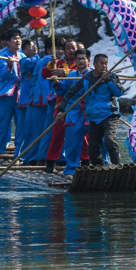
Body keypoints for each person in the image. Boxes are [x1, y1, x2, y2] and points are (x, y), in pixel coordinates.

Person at [59, 53, 124, 166]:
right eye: (101, 63)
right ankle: (98, 168)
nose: (104, 66)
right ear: (94, 64)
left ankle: (117, 165)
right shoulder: (87, 79)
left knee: (109, 140)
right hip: (93, 117)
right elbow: (71, 93)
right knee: (93, 147)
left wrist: (108, 81)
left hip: (109, 115)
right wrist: (61, 110)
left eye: (106, 64)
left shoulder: (111, 77)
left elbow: (119, 92)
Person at [42, 38, 78, 173]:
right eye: (68, 48)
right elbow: (44, 74)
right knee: (57, 133)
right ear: (64, 50)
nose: (71, 51)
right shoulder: (59, 62)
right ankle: (50, 161)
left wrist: (65, 73)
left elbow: (83, 75)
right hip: (61, 102)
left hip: (78, 103)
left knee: (80, 134)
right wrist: (51, 65)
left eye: (73, 48)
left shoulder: (80, 62)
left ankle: (83, 161)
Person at [55, 49, 93, 176]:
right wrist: (56, 83)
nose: (81, 61)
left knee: (97, 142)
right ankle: (71, 169)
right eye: (78, 59)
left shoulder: (94, 75)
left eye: (83, 58)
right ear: (75, 61)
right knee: (72, 143)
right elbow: (62, 91)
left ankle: (100, 167)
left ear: (88, 60)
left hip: (91, 112)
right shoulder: (71, 75)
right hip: (74, 112)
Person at [0, 29, 25, 154]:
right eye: (15, 38)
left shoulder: (23, 56)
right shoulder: (1, 55)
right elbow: (3, 75)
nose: (18, 41)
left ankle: (19, 149)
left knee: (20, 122)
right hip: (7, 93)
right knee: (3, 122)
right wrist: (9, 65)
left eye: (19, 38)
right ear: (8, 42)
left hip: (21, 93)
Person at [22, 38, 55, 165]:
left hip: (43, 99)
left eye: (59, 49)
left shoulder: (61, 61)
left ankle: (34, 157)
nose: (57, 51)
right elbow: (43, 82)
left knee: (37, 130)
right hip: (41, 100)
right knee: (36, 130)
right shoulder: (43, 60)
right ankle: (33, 157)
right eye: (54, 48)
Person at [15, 39, 39, 159]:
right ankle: (18, 154)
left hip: (35, 99)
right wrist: (40, 59)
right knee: (22, 129)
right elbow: (30, 64)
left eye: (34, 45)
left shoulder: (39, 60)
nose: (33, 47)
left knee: (32, 129)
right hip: (25, 99)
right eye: (30, 46)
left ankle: (29, 153)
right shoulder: (24, 61)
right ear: (24, 51)